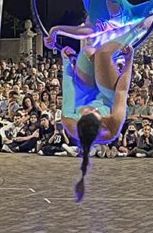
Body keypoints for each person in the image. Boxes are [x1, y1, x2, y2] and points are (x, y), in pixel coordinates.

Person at [59, 40, 135, 202]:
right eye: (95, 112)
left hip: (85, 92)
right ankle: (127, 36)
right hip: (108, 95)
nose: (91, 109)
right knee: (102, 54)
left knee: (87, 53)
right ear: (103, 122)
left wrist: (66, 61)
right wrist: (130, 60)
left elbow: (68, 88)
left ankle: (107, 60)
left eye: (87, 111)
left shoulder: (69, 121)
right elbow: (122, 90)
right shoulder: (113, 125)